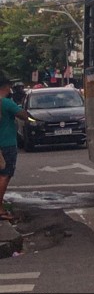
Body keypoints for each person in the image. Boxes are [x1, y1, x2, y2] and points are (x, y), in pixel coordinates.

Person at [0, 74, 28, 220]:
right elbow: (24, 115)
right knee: (5, 175)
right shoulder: (5, 102)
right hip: (6, 144)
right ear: (6, 87)